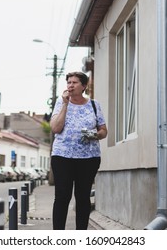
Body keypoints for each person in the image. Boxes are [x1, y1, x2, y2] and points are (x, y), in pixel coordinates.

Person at [50, 71, 108, 230]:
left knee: (82, 198)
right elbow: (55, 128)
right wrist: (65, 104)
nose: (70, 85)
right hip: (62, 157)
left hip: (88, 158)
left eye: (74, 82)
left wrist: (94, 135)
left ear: (83, 86)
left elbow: (103, 130)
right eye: (68, 82)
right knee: (62, 196)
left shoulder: (94, 105)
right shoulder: (60, 103)